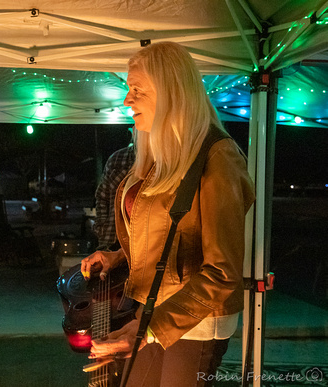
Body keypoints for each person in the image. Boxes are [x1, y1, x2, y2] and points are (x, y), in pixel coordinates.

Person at [81, 41, 255, 387]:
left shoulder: (218, 159)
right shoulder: (162, 155)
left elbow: (222, 273)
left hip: (195, 319)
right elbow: (164, 234)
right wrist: (117, 256)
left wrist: (151, 330)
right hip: (149, 308)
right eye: (128, 89)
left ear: (172, 93)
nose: (127, 100)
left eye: (137, 90)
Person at [93, 139, 135, 252]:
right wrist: (101, 228)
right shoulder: (117, 158)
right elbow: (102, 196)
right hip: (111, 240)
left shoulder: (163, 159)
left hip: (143, 247)